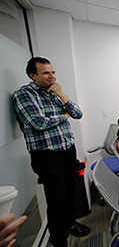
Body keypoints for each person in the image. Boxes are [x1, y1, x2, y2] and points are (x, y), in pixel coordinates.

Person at [12, 57, 90, 247]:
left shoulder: (55, 93)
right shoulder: (24, 94)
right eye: (46, 73)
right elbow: (39, 122)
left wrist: (63, 96)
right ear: (33, 75)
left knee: (71, 192)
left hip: (67, 150)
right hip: (47, 156)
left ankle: (70, 223)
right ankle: (58, 240)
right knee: (57, 200)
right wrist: (64, 115)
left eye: (53, 72)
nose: (52, 76)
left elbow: (78, 114)